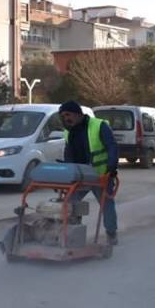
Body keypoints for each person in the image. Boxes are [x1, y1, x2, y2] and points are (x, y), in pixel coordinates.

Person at [60, 100, 119, 245]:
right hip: (79, 176)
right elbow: (68, 153)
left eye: (68, 114)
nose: (66, 118)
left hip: (100, 175)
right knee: (71, 203)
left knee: (106, 204)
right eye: (63, 116)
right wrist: (67, 172)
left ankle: (111, 234)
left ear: (78, 114)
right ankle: (73, 233)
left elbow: (112, 147)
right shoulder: (68, 131)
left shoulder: (99, 126)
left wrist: (111, 168)